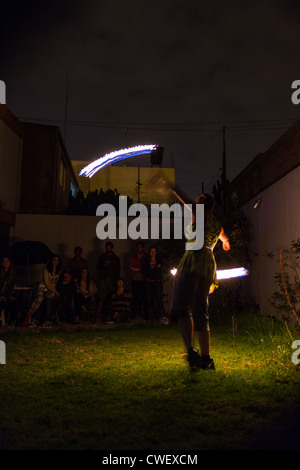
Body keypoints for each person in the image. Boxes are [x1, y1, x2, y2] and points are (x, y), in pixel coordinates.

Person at [169, 188, 230, 370]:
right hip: (208, 263)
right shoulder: (216, 224)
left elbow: (186, 200)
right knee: (201, 310)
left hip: (193, 260)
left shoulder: (199, 213)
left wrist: (173, 188)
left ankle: (191, 351)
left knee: (181, 307)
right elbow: (225, 240)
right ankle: (206, 358)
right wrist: (225, 243)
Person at [22, 254, 62, 327]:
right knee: (39, 299)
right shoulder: (46, 269)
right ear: (51, 261)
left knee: (50, 298)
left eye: (57, 260)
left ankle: (46, 319)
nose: (56, 262)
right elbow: (47, 282)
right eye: (54, 260)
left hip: (50, 290)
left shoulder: (59, 271)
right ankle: (28, 316)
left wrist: (54, 290)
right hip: (42, 286)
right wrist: (55, 291)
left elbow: (55, 283)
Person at [96, 241, 120, 318]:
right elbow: (98, 267)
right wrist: (104, 265)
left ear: (112, 248)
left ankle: (113, 313)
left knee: (112, 297)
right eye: (107, 248)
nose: (108, 249)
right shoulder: (102, 257)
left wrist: (116, 281)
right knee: (101, 297)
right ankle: (99, 313)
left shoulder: (116, 258)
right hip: (103, 279)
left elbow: (118, 270)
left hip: (112, 280)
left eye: (110, 248)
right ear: (105, 248)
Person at [144, 246, 164, 323]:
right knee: (149, 299)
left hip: (157, 282)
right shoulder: (146, 261)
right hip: (148, 282)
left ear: (156, 252)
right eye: (151, 251)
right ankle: (150, 318)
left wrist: (153, 269)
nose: (152, 253)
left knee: (159, 298)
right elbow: (146, 271)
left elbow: (158, 271)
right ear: (149, 253)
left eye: (154, 251)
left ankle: (162, 317)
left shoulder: (159, 260)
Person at [130, 241, 147, 319]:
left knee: (144, 297)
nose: (139, 248)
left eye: (140, 247)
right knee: (135, 297)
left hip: (144, 280)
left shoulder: (146, 257)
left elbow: (146, 267)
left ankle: (143, 313)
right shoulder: (133, 257)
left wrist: (140, 261)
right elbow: (132, 267)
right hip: (135, 280)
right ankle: (134, 314)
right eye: (138, 247)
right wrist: (139, 268)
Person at [0, 255, 18, 326]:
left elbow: (11, 287)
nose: (5, 263)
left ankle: (12, 321)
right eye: (4, 261)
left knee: (13, 302)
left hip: (5, 296)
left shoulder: (11, 274)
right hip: (0, 296)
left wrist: (9, 296)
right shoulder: (1, 273)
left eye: (7, 261)